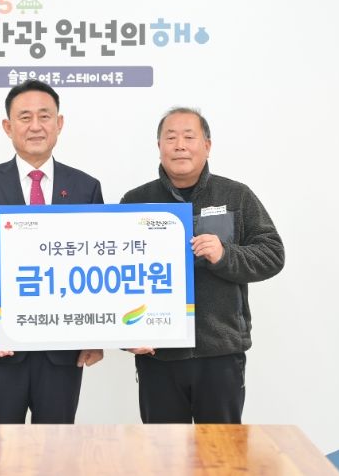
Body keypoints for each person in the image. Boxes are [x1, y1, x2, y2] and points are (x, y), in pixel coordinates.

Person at [0, 80, 104, 424]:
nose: (36, 126)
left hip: (63, 349)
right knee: (0, 446)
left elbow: (97, 264)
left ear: (59, 124)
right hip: (2, 345)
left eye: (44, 116)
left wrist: (95, 334)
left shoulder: (85, 188)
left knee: (56, 446)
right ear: (8, 127)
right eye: (25, 117)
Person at [120, 107, 284, 423]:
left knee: (222, 450)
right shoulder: (135, 201)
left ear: (207, 146)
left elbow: (272, 254)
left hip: (220, 356)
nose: (180, 145)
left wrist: (225, 255)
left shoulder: (236, 196)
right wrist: (127, 339)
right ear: (159, 146)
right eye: (171, 138)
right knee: (163, 450)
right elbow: (117, 273)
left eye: (189, 137)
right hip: (158, 357)